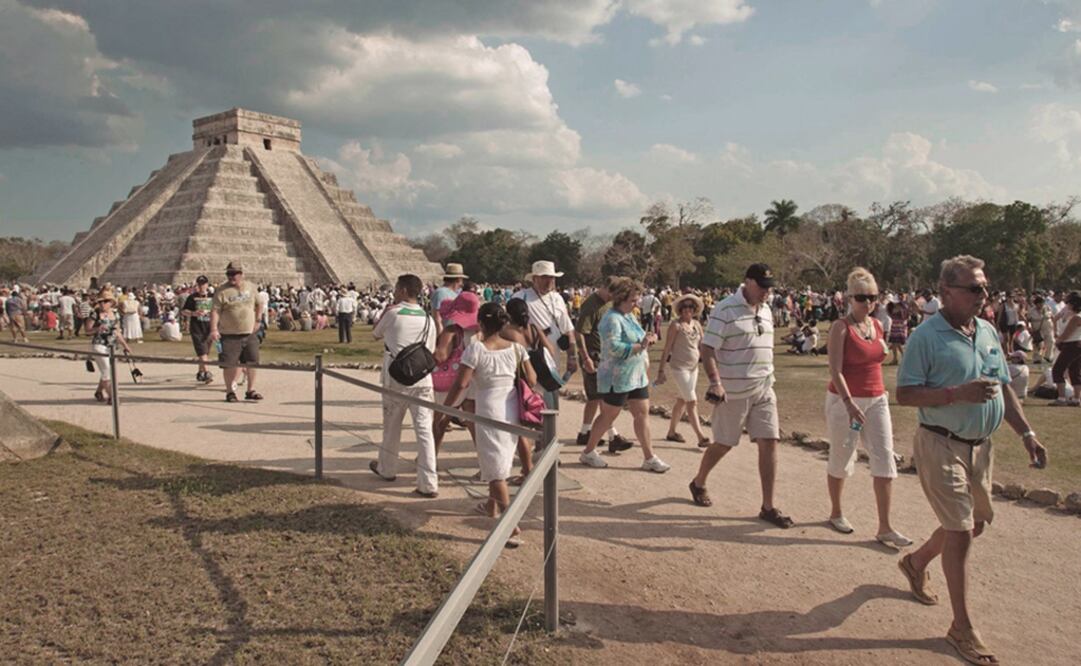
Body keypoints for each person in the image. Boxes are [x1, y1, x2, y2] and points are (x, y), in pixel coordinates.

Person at [895, 255, 1047, 666]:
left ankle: (916, 562)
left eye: (985, 288)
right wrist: (955, 394)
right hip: (941, 443)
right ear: (946, 292)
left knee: (973, 524)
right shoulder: (926, 337)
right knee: (960, 531)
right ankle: (961, 627)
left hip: (981, 446)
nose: (984, 295)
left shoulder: (986, 331)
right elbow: (905, 395)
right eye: (975, 289)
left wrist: (1027, 434)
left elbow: (1002, 385)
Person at [690, 263, 794, 529]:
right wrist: (715, 383)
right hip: (733, 391)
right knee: (724, 444)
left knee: (770, 441)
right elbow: (708, 348)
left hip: (764, 387)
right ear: (747, 282)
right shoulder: (725, 309)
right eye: (762, 287)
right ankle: (699, 481)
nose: (766, 293)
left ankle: (768, 506)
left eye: (769, 288)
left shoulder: (767, 309)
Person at [824, 268, 910, 546]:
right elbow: (835, 370)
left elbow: (879, 357)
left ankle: (885, 526)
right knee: (842, 454)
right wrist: (849, 403)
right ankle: (836, 511)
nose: (868, 302)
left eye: (873, 297)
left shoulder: (877, 326)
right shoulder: (841, 327)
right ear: (849, 298)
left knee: (884, 455)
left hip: (876, 398)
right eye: (862, 297)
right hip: (845, 400)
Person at [438, 303, 536, 546]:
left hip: (489, 407)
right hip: (512, 405)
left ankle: (509, 525)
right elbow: (532, 379)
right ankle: (492, 507)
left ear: (481, 324)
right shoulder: (516, 348)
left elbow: (462, 383)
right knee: (499, 459)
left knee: (495, 470)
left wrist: (447, 409)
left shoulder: (476, 350)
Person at [578, 277, 670, 473]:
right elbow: (613, 347)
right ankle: (588, 451)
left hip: (635, 375)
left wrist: (649, 338)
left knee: (642, 414)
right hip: (616, 377)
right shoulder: (611, 318)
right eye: (633, 300)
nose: (637, 303)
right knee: (608, 416)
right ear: (620, 298)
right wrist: (641, 345)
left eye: (637, 299)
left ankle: (649, 457)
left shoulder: (628, 316)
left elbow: (637, 335)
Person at [370, 274, 439, 498]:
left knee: (391, 426)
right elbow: (430, 348)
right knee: (424, 431)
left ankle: (387, 468)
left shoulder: (393, 313)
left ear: (403, 289)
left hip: (395, 378)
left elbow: (375, 334)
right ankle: (428, 482)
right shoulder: (428, 319)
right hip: (422, 380)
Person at [574, 278, 633, 452]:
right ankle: (613, 436)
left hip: (607, 357)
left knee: (595, 397)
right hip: (593, 356)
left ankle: (585, 432)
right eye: (613, 293)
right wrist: (586, 358)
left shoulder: (609, 304)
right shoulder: (591, 305)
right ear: (604, 288)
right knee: (603, 398)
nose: (614, 297)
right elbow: (580, 334)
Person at [513, 260, 578, 405]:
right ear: (534, 278)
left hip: (552, 357)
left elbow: (568, 329)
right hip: (530, 355)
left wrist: (572, 356)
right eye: (545, 277)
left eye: (552, 277)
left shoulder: (558, 299)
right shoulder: (521, 297)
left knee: (551, 400)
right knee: (531, 399)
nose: (549, 281)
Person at [655, 293, 710, 447]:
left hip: (694, 369)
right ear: (680, 309)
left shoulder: (697, 325)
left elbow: (702, 346)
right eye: (684, 307)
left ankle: (671, 432)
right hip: (679, 368)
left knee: (682, 400)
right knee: (692, 401)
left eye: (691, 307)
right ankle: (701, 437)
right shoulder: (675, 325)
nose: (687, 310)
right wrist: (660, 371)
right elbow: (666, 349)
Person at [432, 291, 479, 453]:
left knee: (440, 421)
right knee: (473, 423)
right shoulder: (480, 331)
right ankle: (483, 462)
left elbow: (440, 355)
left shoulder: (451, 331)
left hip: (453, 381)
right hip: (474, 381)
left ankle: (431, 457)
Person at [209, 262, 264, 403]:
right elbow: (215, 311)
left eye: (234, 273)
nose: (231, 276)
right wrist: (214, 329)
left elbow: (260, 303)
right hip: (229, 334)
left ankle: (250, 390)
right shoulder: (222, 291)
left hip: (249, 332)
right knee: (229, 364)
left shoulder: (251, 287)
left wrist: (258, 320)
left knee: (252, 362)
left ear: (241, 274)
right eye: (229, 274)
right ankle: (230, 391)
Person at [89, 287, 133, 405]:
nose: (102, 304)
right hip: (99, 345)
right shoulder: (95, 314)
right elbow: (87, 330)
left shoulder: (115, 314)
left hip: (112, 346)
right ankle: (112, 397)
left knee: (107, 371)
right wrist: (97, 328)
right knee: (107, 370)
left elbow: (117, 332)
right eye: (100, 301)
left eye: (106, 301)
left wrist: (125, 345)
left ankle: (99, 391)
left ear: (111, 303)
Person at [1048, 291, 1081, 406]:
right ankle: (1077, 399)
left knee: (1057, 370)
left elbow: (1068, 333)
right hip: (1069, 344)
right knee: (1074, 371)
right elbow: (1054, 318)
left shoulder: (1077, 317)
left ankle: (1061, 398)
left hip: (1073, 344)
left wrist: (1058, 340)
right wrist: (1056, 331)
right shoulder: (1066, 312)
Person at [182, 275, 215, 384]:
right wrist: (193, 313)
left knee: (206, 352)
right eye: (199, 284)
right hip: (197, 328)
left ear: (207, 284)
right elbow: (183, 311)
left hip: (209, 327)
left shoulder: (213, 297)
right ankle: (206, 373)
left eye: (203, 284)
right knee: (201, 351)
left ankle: (200, 371)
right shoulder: (192, 297)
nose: (201, 286)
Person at [432, 263, 467, 333]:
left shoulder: (455, 293)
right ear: (458, 279)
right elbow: (437, 319)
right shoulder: (441, 293)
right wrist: (440, 338)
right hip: (446, 335)